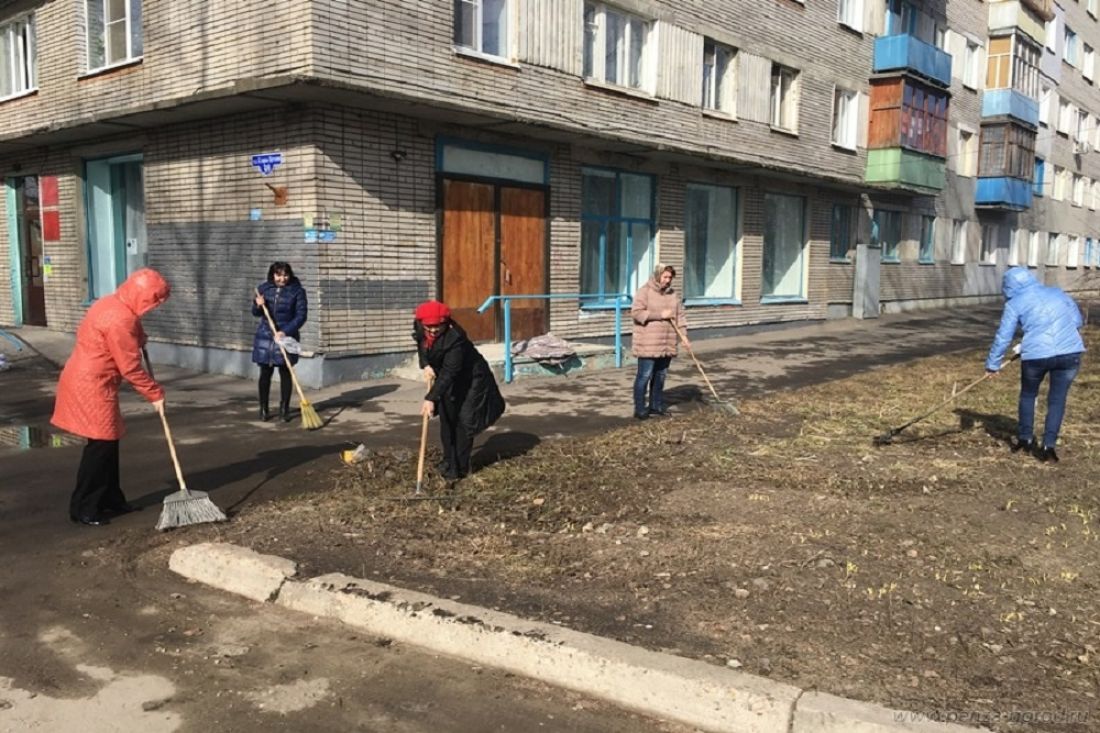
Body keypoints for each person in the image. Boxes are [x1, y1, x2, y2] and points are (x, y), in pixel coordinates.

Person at [51, 268, 171, 526]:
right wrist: (154, 393)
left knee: (109, 442)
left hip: (89, 378)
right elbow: (129, 367)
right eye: (154, 301)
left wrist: (139, 337)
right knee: (100, 446)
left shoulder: (112, 303)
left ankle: (110, 500)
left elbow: (131, 330)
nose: (154, 307)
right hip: (91, 385)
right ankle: (84, 507)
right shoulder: (120, 320)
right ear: (142, 297)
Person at [985, 267, 1085, 463]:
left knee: (1029, 395)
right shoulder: (1057, 292)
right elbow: (1077, 321)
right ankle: (1049, 447)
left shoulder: (1014, 304)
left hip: (1036, 356)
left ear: (1008, 287)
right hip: (1069, 353)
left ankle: (1025, 438)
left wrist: (993, 364)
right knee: (1057, 400)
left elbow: (1003, 336)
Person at [414, 300, 505, 480]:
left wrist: (431, 398)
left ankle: (460, 469)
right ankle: (449, 461)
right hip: (448, 381)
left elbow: (449, 372)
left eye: (437, 326)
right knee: (447, 420)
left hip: (472, 381)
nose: (433, 330)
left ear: (446, 322)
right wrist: (426, 365)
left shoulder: (455, 339)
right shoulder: (421, 328)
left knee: (464, 423)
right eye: (429, 326)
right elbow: (421, 345)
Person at [630, 264, 689, 420]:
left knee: (660, 376)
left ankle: (656, 406)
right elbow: (636, 312)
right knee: (644, 375)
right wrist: (659, 314)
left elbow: (680, 316)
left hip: (667, 342)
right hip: (648, 342)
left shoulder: (672, 295)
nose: (668, 280)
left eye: (670, 278)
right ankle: (640, 408)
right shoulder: (645, 291)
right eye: (665, 277)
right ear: (657, 276)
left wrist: (684, 336)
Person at [251, 261, 308, 422]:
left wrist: (285, 331)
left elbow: (301, 315)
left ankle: (284, 409)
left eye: (285, 275)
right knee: (265, 374)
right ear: (273, 275)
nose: (282, 279)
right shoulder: (264, 289)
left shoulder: (297, 291)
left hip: (285, 336)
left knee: (285, 372)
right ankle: (263, 408)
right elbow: (255, 312)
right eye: (278, 275)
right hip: (265, 336)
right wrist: (257, 304)